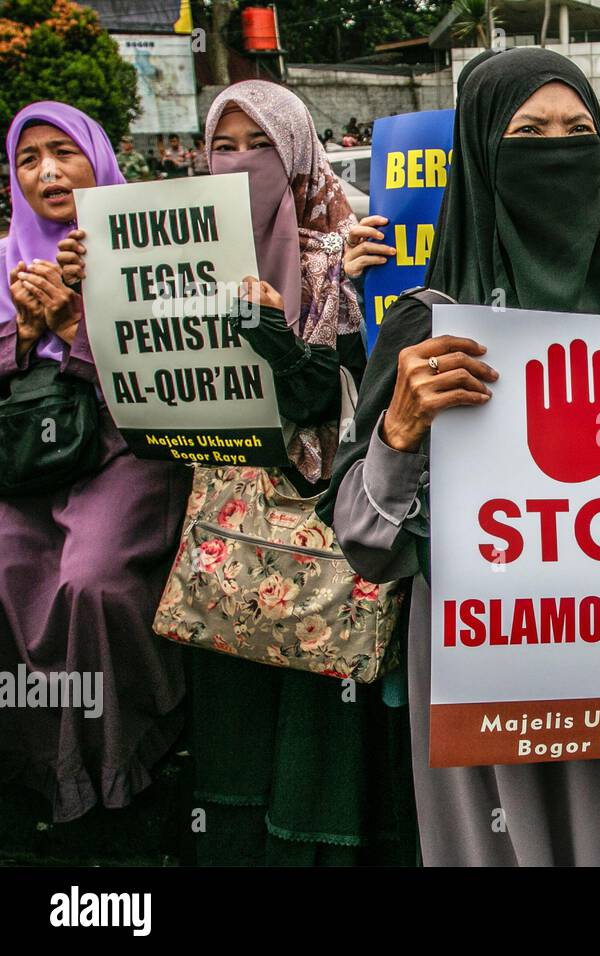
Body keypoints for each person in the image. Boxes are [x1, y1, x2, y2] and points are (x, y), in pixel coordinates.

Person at [319, 47, 600, 866]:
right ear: (481, 155)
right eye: (528, 134)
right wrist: (398, 433)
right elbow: (364, 542)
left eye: (579, 132)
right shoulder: (428, 330)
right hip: (492, 685)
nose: (556, 150)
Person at [61, 81, 414, 864]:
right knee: (234, 729)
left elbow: (342, 398)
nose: (243, 161)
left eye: (262, 144)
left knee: (315, 721)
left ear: (296, 156)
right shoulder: (172, 257)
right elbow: (134, 395)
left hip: (316, 542)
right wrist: (99, 289)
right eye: (226, 144)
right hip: (218, 534)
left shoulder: (344, 255)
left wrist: (277, 337)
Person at [0, 102, 190, 823]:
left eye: (64, 152)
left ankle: (122, 751)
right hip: (29, 459)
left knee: (93, 582)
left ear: (98, 159)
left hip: (127, 446)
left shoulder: (148, 249)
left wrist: (76, 326)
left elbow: (172, 377)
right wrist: (21, 337)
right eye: (28, 158)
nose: (47, 171)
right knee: (8, 564)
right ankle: (40, 760)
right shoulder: (5, 259)